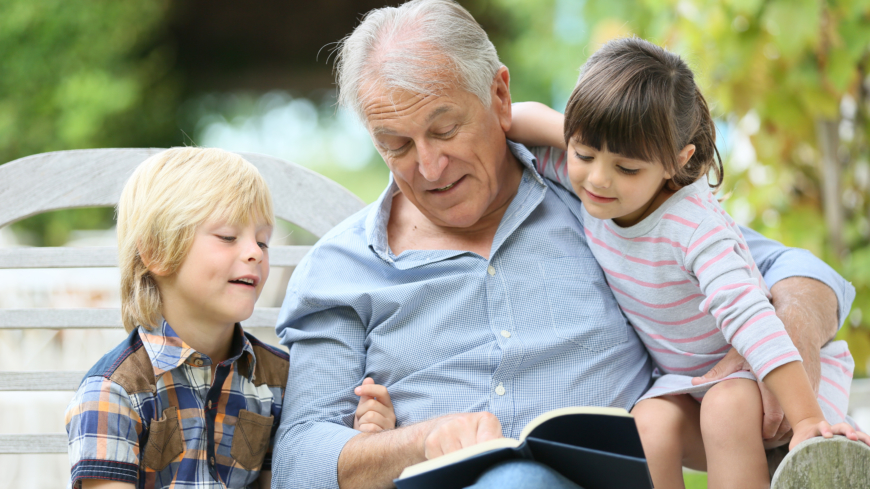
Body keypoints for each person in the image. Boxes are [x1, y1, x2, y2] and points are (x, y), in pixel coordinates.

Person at [271, 1, 856, 488]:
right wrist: (417, 442)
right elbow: (299, 458)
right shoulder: (343, 269)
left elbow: (798, 271)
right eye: (396, 145)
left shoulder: (601, 196)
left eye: (446, 130)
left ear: (500, 98)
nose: (428, 166)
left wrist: (781, 353)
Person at [506, 37, 869, 488]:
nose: (598, 178)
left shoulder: (693, 227)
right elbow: (511, 120)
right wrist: (595, 131)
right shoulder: (591, 182)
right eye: (584, 154)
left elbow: (750, 318)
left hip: (769, 377)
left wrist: (806, 420)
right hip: (692, 383)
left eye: (628, 166)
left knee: (726, 406)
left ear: (677, 162)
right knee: (648, 424)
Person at [65, 148, 290, 489]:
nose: (254, 252)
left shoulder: (278, 380)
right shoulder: (114, 391)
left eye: (263, 241)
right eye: (228, 236)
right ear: (156, 250)